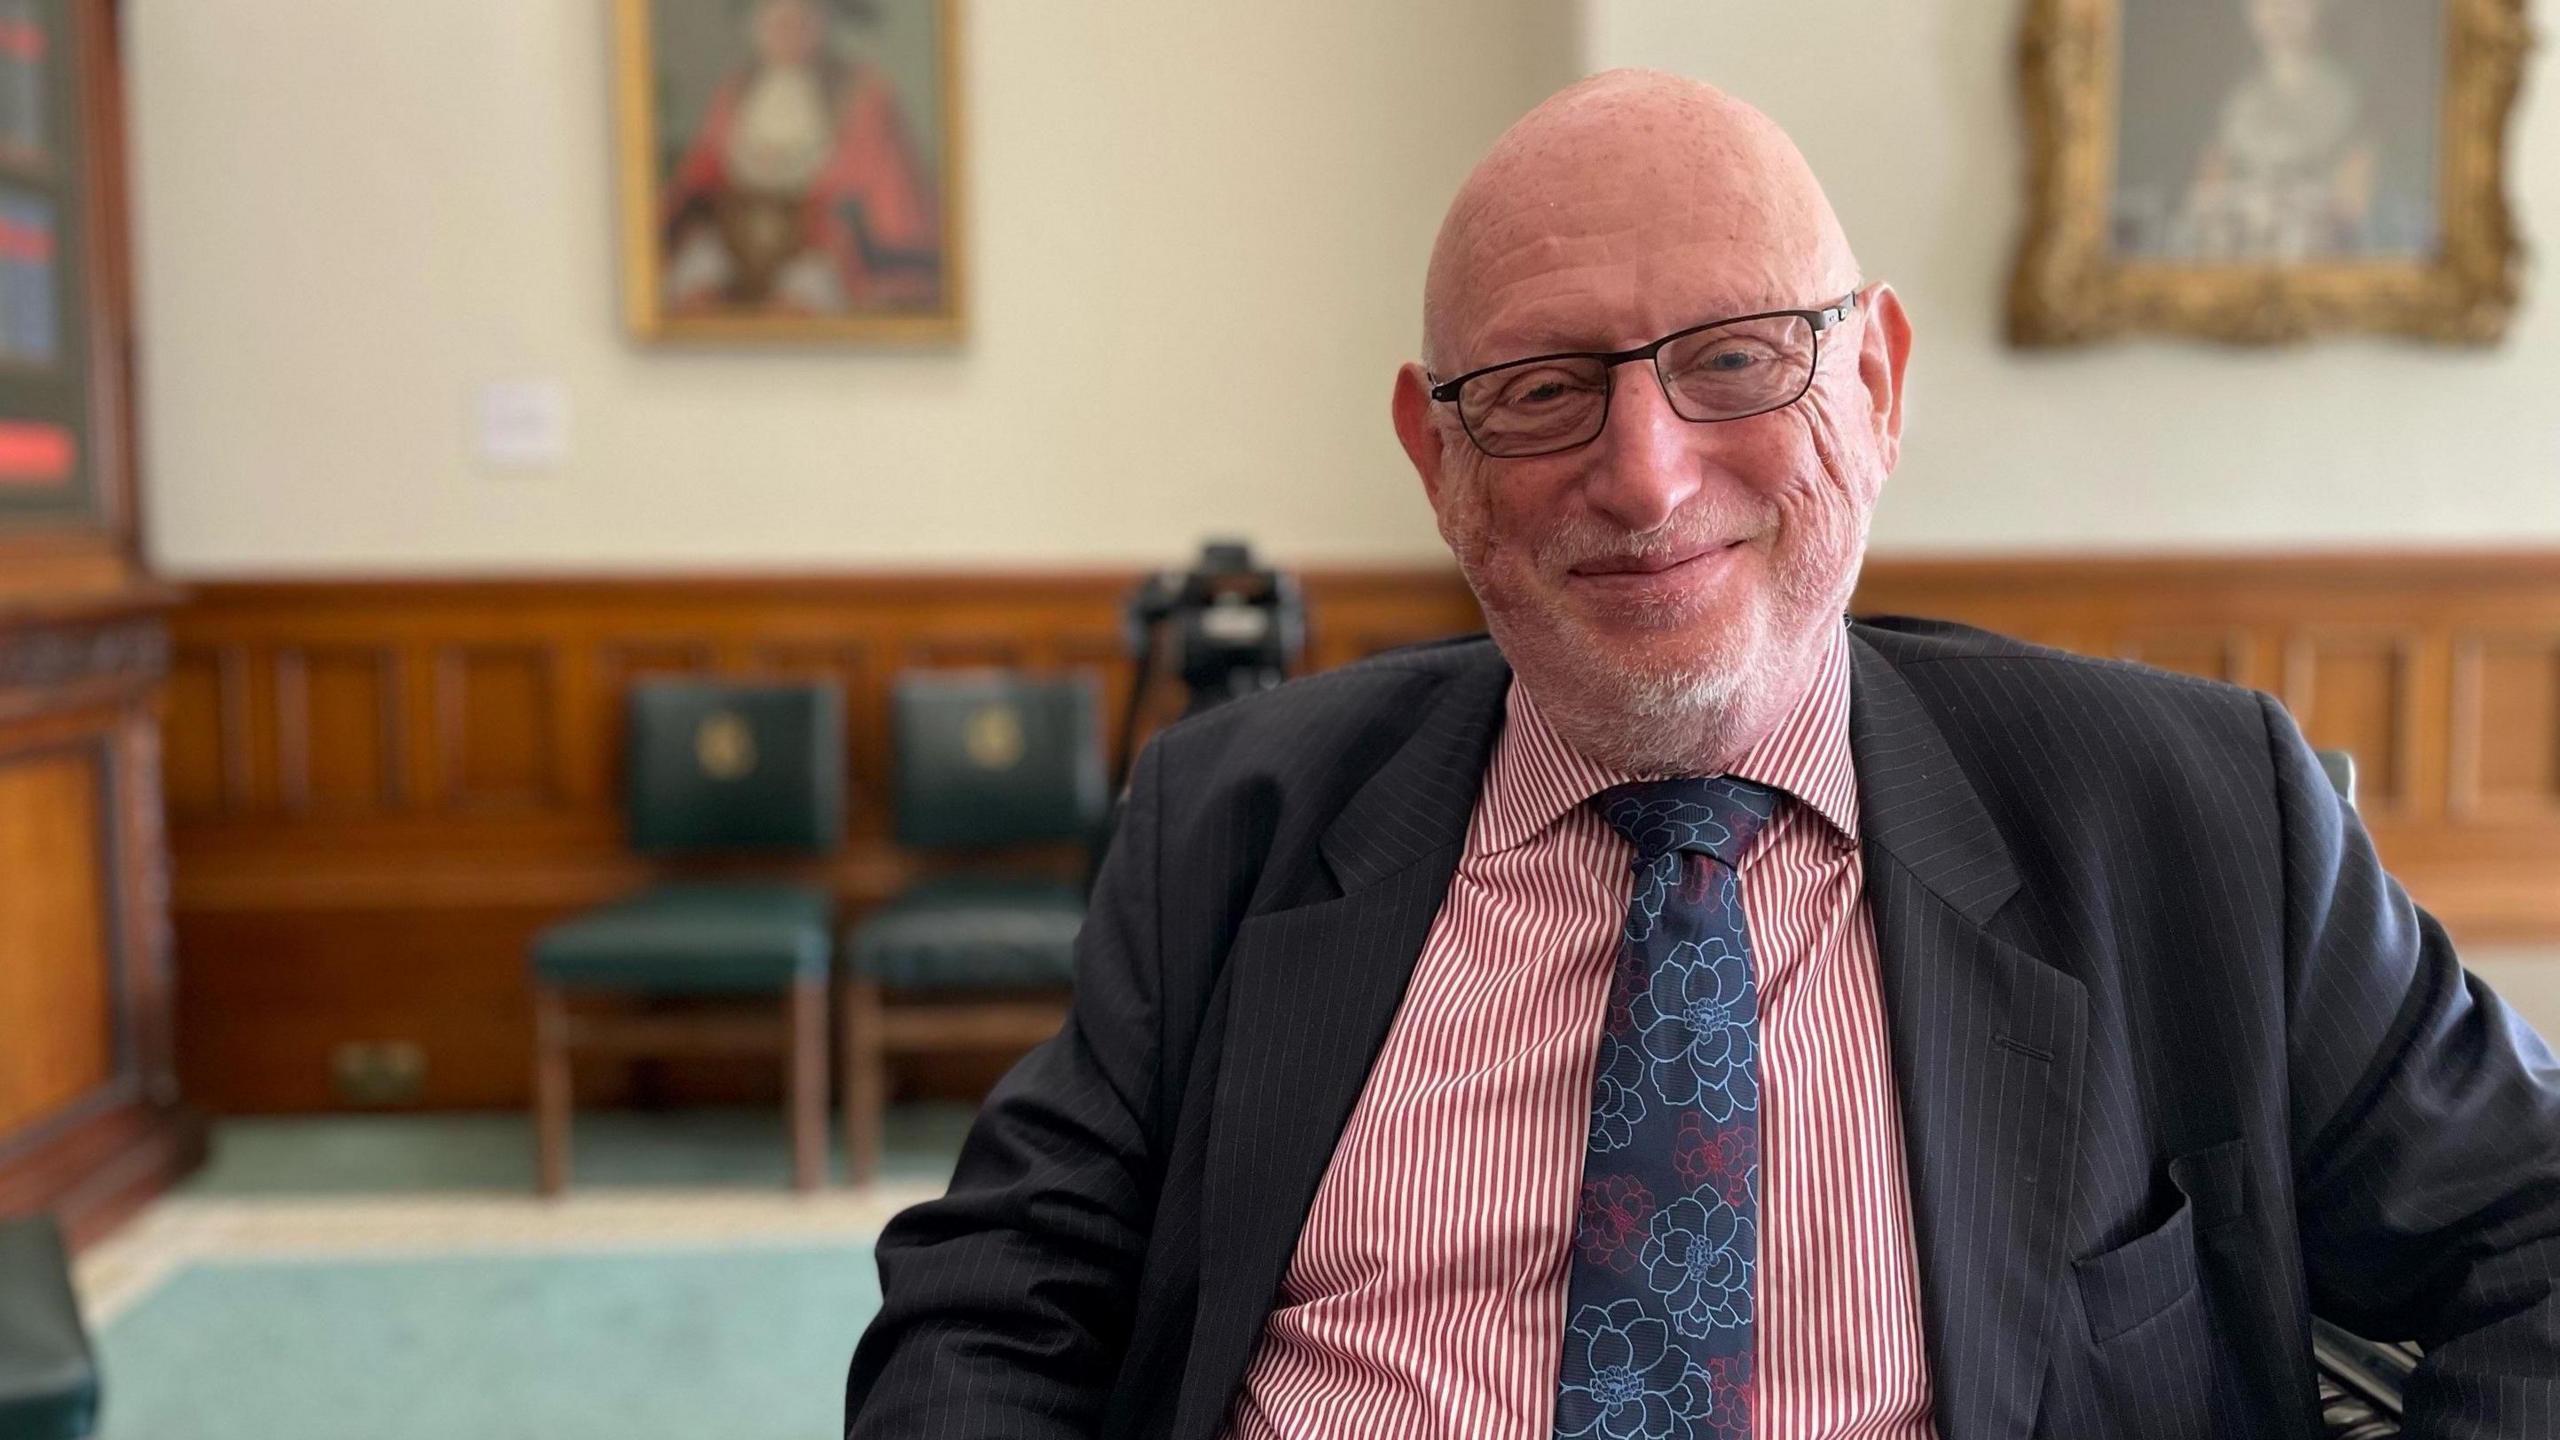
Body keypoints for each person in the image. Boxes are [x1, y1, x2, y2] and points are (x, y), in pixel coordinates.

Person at [845, 70, 2560, 1439]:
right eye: (1538, 388)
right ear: (1436, 458)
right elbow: (994, 1299)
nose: (1648, 477)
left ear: (1876, 386)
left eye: (1738, 359)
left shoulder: (2192, 819)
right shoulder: (1234, 818)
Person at [661, 0, 940, 315]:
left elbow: (883, 189)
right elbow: (702, 172)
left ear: (823, 25)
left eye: (801, 21)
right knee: (696, 298)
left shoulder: (864, 94)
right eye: (778, 21)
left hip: (822, 247)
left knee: (799, 308)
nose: (789, 32)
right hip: (736, 239)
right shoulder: (736, 90)